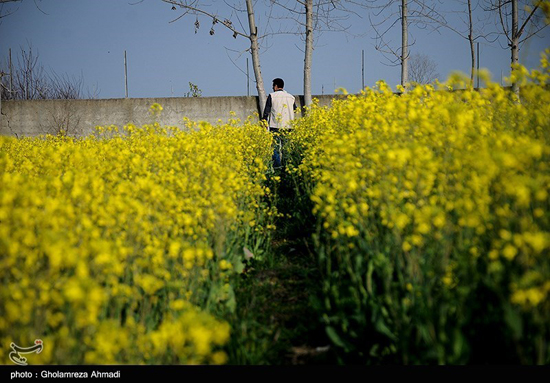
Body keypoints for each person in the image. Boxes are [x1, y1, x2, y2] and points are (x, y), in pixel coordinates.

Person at [261, 78, 297, 168]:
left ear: (276, 86)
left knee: (275, 148)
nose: (273, 88)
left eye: (273, 86)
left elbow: (267, 111)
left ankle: (277, 168)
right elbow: (295, 110)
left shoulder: (272, 96)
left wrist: (264, 122)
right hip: (288, 126)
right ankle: (286, 167)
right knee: (286, 148)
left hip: (275, 125)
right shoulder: (291, 97)